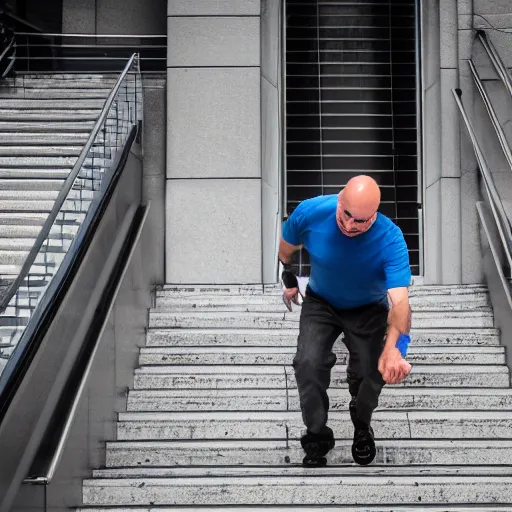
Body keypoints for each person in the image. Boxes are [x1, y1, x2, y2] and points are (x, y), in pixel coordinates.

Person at [279, 175, 413, 467]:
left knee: (372, 370)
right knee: (308, 363)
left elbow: (401, 304)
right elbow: (285, 250)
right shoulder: (310, 212)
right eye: (346, 214)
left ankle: (361, 423)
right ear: (339, 200)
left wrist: (396, 347)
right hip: (321, 303)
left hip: (368, 308)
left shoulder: (390, 238)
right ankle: (317, 435)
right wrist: (289, 278)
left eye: (361, 221)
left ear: (375, 215)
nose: (351, 225)